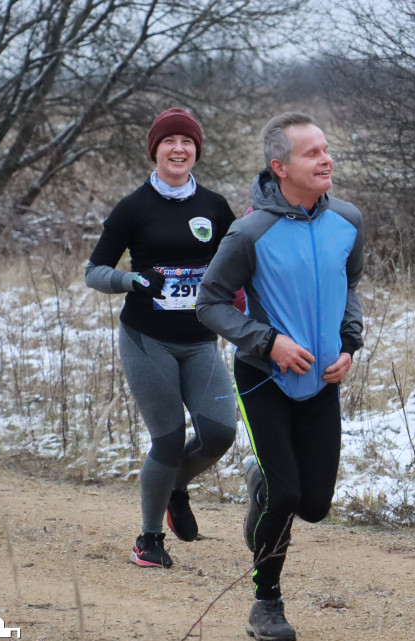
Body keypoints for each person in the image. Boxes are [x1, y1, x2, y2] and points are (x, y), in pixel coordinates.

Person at [196, 112, 365, 641]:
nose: (326, 159)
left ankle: (264, 482)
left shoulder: (348, 221)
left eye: (326, 148)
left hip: (321, 383)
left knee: (313, 505)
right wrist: (268, 342)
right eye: (312, 153)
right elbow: (210, 304)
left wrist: (349, 345)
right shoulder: (249, 232)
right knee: (288, 498)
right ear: (280, 167)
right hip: (263, 378)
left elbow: (350, 289)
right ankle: (266, 602)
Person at [85, 107, 237, 569]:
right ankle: (148, 540)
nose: (178, 149)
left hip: (199, 339)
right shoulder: (134, 207)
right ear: (155, 150)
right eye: (169, 141)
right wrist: (132, 281)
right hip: (147, 337)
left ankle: (175, 488)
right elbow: (95, 272)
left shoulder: (213, 206)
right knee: (168, 441)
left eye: (187, 142)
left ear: (196, 151)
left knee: (219, 434)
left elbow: (238, 261)